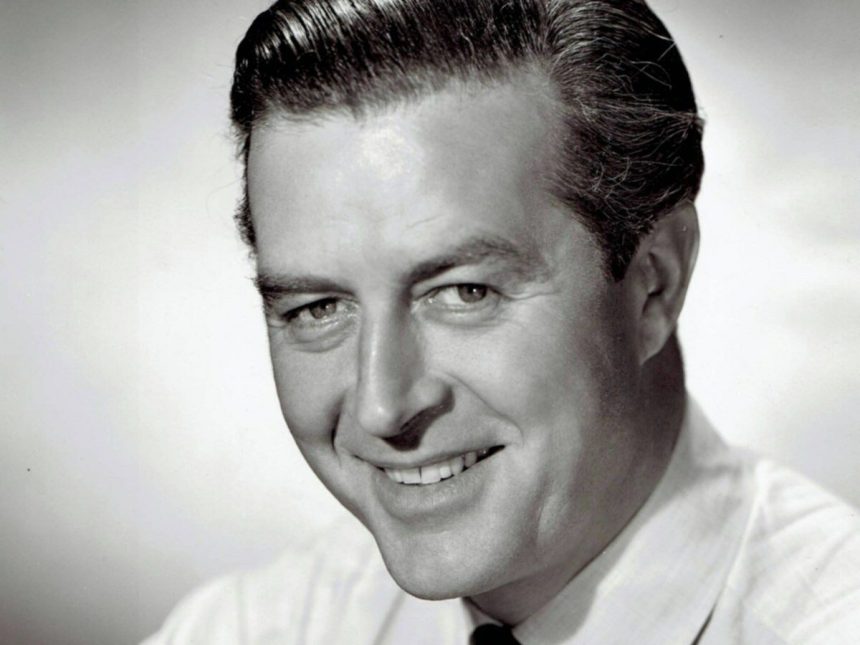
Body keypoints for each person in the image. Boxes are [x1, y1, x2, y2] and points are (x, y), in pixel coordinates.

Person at [146, 0, 860, 642]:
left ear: (654, 283)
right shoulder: (248, 628)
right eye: (318, 308)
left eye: (463, 293)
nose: (382, 404)